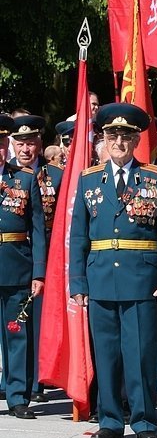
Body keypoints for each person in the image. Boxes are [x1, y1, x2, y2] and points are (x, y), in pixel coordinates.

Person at [70, 103, 157, 438]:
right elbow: (79, 236)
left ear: (136, 141)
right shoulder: (89, 179)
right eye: (113, 136)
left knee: (141, 355)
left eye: (126, 137)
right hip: (100, 279)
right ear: (104, 139)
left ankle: (145, 422)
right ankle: (111, 421)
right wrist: (78, 282)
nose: (119, 143)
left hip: (141, 280)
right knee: (106, 355)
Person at [11, 114, 63, 402]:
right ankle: (13, 380)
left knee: (37, 322)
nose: (25, 149)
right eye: (20, 144)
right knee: (15, 322)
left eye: (30, 143)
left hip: (46, 255)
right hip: (14, 253)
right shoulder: (7, 173)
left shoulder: (55, 175)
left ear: (40, 144)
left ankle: (35, 383)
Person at [0, 114, 46, 419]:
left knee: (16, 333)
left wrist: (38, 272)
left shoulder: (25, 179)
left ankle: (18, 396)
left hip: (16, 265)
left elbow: (38, 229)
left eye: (1, 143)